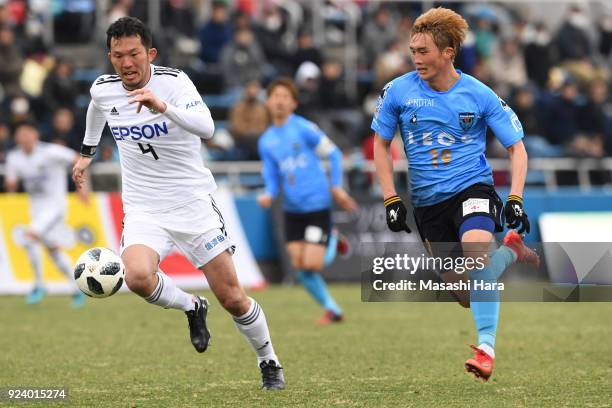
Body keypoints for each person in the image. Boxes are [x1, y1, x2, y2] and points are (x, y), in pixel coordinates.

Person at [71, 17, 284, 390]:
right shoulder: (104, 89)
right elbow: (96, 107)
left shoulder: (174, 82)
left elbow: (208, 128)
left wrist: (163, 106)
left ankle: (269, 360)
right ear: (110, 57)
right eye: (118, 56)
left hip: (192, 204)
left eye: (134, 54)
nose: (127, 63)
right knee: (136, 276)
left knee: (233, 298)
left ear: (150, 53)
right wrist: (87, 152)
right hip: (143, 207)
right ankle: (191, 306)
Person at [371, 8, 540, 381]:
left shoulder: (478, 94)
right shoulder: (398, 90)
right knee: (466, 295)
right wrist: (390, 197)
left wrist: (514, 198)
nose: (416, 58)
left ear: (449, 52)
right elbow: (380, 145)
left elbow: (518, 148)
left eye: (424, 51)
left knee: (477, 256)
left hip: (472, 188)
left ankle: (485, 349)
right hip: (428, 203)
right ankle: (510, 251)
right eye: (413, 50)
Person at [257, 77, 357, 325]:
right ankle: (333, 309)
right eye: (275, 96)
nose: (279, 102)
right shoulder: (266, 141)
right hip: (292, 210)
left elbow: (333, 154)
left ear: (293, 103)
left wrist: (336, 187)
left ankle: (333, 239)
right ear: (268, 102)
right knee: (300, 267)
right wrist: (269, 193)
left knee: (312, 264)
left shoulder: (304, 128)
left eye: (285, 97)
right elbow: (271, 174)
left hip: (316, 205)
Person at [4, 121, 88, 308]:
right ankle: (77, 289)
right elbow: (11, 182)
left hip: (55, 207)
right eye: (20, 134)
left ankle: (39, 286)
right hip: (36, 209)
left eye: (27, 133)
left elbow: (77, 158)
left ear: (35, 135)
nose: (24, 137)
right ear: (16, 137)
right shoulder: (14, 157)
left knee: (29, 237)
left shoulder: (51, 152)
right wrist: (11, 185)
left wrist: (82, 186)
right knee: (53, 251)